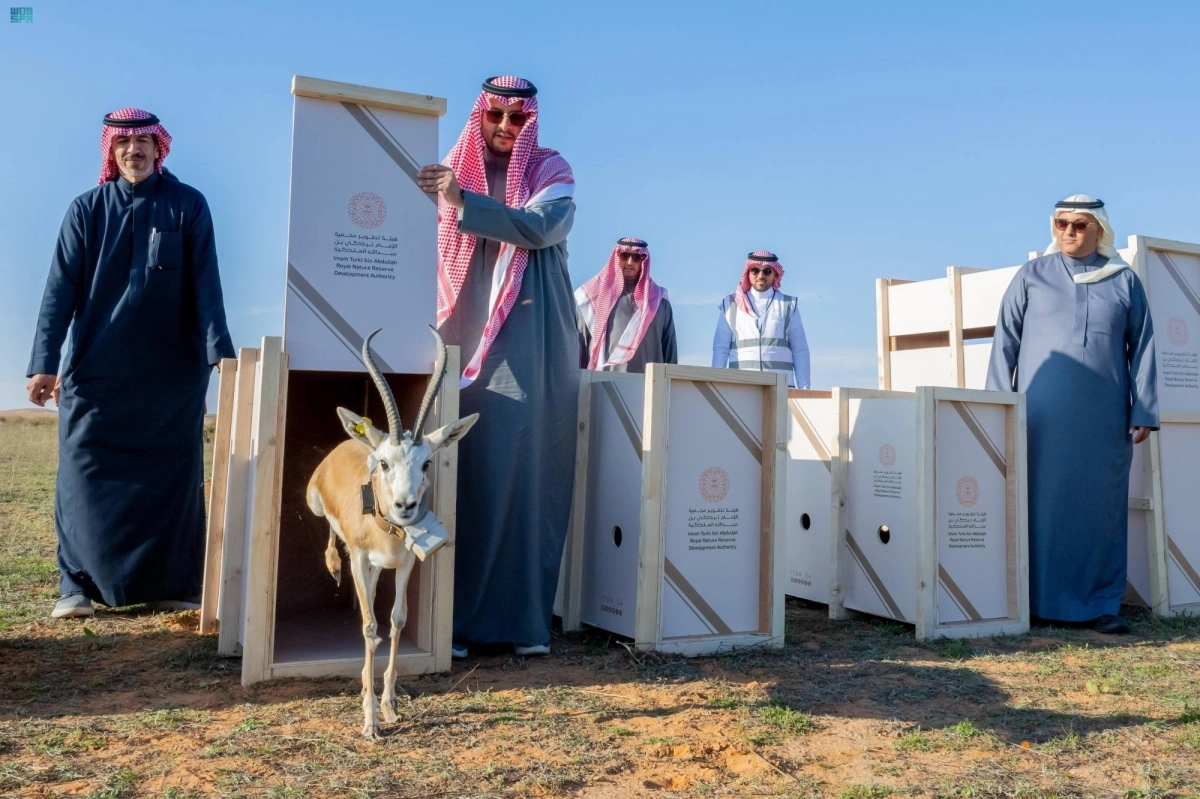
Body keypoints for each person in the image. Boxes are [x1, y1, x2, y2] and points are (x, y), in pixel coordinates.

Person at [26, 108, 234, 618]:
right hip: (97, 374)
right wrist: (44, 363)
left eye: (143, 142)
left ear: (159, 148)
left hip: (171, 376)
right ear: (110, 149)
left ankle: (173, 583)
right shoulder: (86, 210)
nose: (133, 151)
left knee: (172, 481)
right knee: (82, 475)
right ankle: (75, 587)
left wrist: (222, 360)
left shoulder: (188, 206)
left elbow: (207, 288)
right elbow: (60, 291)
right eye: (124, 143)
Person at [416, 76, 577, 657]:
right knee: (465, 471)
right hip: (459, 335)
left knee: (526, 467)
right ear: (479, 115)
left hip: (529, 336)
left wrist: (463, 202)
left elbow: (538, 228)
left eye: (517, 118)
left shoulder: (551, 171)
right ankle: (451, 623)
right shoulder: (447, 175)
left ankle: (522, 623)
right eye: (495, 116)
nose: (506, 128)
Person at [986, 195, 1157, 634]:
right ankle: (1036, 602)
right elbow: (1004, 341)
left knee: (1099, 510)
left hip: (1104, 420)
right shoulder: (1032, 276)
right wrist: (997, 406)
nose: (1069, 232)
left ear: (1100, 229)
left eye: (1080, 225)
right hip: (1039, 419)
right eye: (1062, 223)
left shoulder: (1125, 281)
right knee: (1041, 507)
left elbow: (1144, 346)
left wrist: (1144, 409)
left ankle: (1101, 606)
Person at [576, 237, 677, 372]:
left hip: (649, 385)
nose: (630, 262)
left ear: (643, 260)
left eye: (636, 257)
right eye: (625, 255)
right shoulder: (592, 298)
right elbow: (579, 348)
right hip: (604, 385)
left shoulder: (659, 301)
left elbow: (669, 349)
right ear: (617, 256)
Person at [712, 250, 811, 388]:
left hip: (781, 390)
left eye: (767, 271)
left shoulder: (788, 305)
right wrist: (717, 385)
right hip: (741, 388)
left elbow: (800, 350)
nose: (761, 275)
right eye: (755, 270)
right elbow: (720, 348)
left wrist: (804, 391)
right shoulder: (730, 304)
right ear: (748, 273)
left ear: (775, 274)